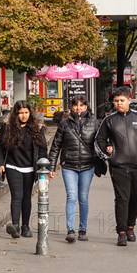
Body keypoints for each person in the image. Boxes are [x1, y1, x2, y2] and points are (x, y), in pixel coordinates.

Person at [95, 86, 137, 246]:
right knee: (122, 198)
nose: (118, 104)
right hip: (119, 166)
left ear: (129, 100)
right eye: (116, 101)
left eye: (121, 100)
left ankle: (131, 226)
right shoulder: (109, 120)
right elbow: (99, 140)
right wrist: (108, 153)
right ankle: (121, 232)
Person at [48, 96, 99, 243]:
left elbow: (100, 142)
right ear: (71, 107)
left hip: (87, 165)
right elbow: (56, 145)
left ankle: (82, 229)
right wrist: (52, 166)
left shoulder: (94, 123)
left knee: (83, 198)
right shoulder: (64, 124)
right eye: (76, 105)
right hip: (69, 165)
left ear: (87, 107)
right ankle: (70, 229)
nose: (78, 108)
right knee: (71, 196)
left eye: (82, 105)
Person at [0, 100, 48, 239]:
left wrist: (42, 167)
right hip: (13, 166)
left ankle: (26, 226)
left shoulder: (38, 128)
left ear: (30, 113)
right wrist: (0, 163)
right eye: (20, 113)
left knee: (26, 197)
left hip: (30, 168)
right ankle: (15, 226)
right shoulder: (7, 127)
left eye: (26, 113)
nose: (24, 116)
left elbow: (42, 149)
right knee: (16, 196)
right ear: (16, 114)